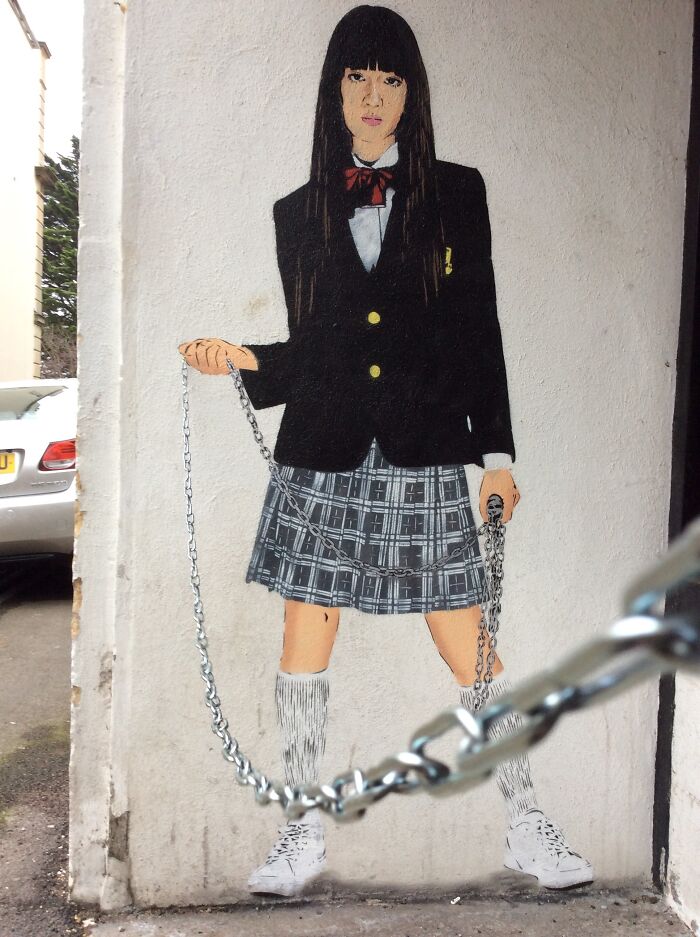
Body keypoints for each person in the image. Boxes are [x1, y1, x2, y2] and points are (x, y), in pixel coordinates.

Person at [179, 4, 593, 898]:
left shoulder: (457, 192)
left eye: (392, 79)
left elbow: (478, 332)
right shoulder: (299, 213)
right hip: (323, 452)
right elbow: (321, 348)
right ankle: (302, 827)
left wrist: (497, 456)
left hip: (424, 447)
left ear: (412, 93)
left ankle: (526, 818)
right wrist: (243, 358)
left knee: (469, 641)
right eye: (358, 78)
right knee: (304, 637)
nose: (374, 97)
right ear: (335, 90)